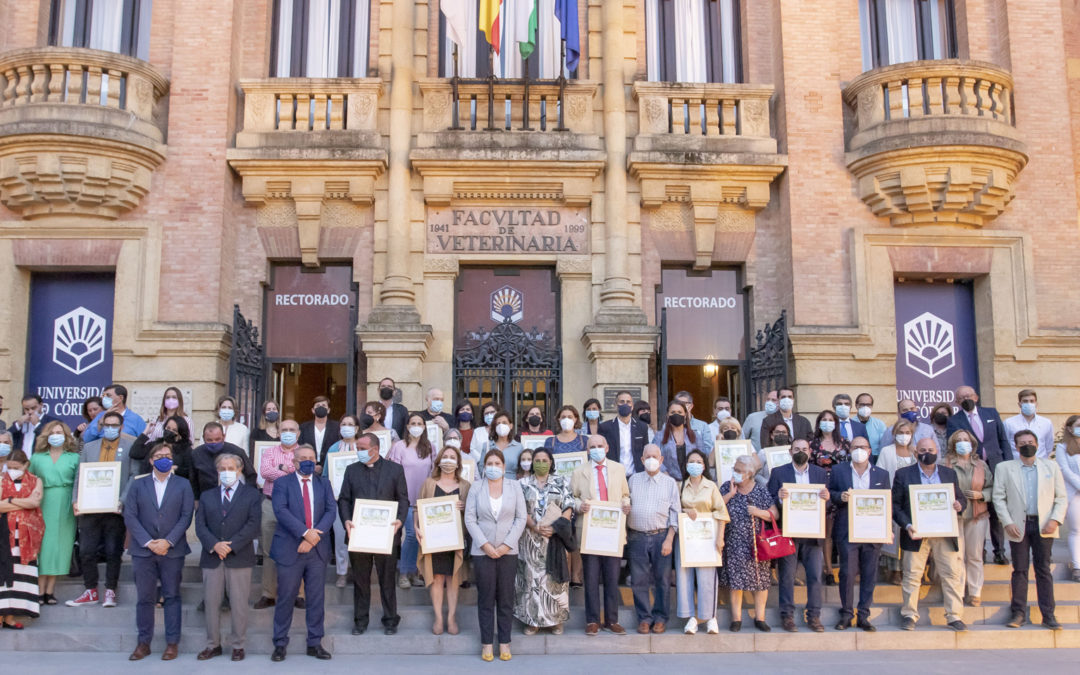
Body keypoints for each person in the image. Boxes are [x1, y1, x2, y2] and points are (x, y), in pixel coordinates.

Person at [124, 443, 194, 661]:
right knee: (145, 598)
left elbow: (186, 516)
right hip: (143, 551)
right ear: (152, 460)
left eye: (168, 455)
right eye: (159, 455)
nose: (164, 458)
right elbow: (130, 516)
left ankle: (172, 643)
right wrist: (148, 542)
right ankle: (143, 642)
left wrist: (168, 541)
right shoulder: (138, 484)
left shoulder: (183, 484)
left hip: (172, 551)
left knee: (172, 595)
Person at [993, 429, 1067, 630]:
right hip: (1018, 525)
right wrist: (1007, 522)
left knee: (1043, 570)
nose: (1027, 445)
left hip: (1044, 525)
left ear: (1036, 444)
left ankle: (1048, 615)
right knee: (1020, 570)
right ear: (1016, 447)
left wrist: (1055, 520)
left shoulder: (1050, 466)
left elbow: (1061, 497)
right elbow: (998, 497)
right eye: (1022, 442)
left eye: (1030, 441)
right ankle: (1018, 613)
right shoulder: (1004, 468)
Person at [893, 437, 967, 632]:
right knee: (911, 574)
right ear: (916, 453)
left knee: (951, 574)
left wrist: (960, 505)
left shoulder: (948, 474)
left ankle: (954, 616)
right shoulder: (903, 475)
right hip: (915, 533)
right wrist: (907, 524)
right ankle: (909, 614)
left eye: (931, 449)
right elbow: (895, 505)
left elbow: (960, 498)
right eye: (923, 449)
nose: (927, 453)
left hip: (944, 533)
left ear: (937, 451)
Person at [269, 444, 334, 661]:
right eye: (303, 458)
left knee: (316, 598)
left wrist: (315, 536)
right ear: (294, 462)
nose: (308, 461)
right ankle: (279, 643)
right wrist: (306, 534)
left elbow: (330, 511)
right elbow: (281, 511)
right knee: (286, 597)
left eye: (311, 458)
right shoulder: (281, 483)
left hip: (317, 550)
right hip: (290, 548)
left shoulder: (324, 483)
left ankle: (315, 642)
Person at [194, 452, 261, 661]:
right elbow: (200, 524)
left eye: (231, 468)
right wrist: (214, 544)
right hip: (212, 557)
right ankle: (213, 644)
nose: (226, 472)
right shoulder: (207, 496)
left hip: (239, 556)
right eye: (222, 469)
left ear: (239, 470)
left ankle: (238, 645)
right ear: (217, 471)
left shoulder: (251, 495)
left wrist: (231, 546)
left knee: (239, 604)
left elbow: (253, 525)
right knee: (211, 603)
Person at [339, 433, 408, 636]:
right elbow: (344, 499)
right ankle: (360, 621)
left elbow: (402, 499)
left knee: (387, 579)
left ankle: (390, 620)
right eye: (357, 448)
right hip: (358, 534)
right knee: (360, 580)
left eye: (361, 448)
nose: (357, 451)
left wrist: (400, 520)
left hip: (386, 534)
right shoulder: (351, 470)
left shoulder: (395, 470)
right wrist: (346, 521)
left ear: (375, 449)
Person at [66, 411, 137, 608]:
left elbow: (134, 475)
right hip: (90, 506)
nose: (111, 428)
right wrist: (76, 500)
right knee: (87, 551)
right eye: (107, 425)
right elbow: (80, 476)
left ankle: (110, 591)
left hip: (115, 508)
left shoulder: (130, 447)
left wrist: (122, 500)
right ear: (102, 425)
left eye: (115, 425)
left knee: (113, 550)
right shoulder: (89, 447)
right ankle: (90, 590)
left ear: (121, 427)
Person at [464, 448, 527, 662]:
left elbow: (521, 518)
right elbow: (470, 519)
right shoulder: (476, 487)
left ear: (503, 466)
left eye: (497, 464)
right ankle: (487, 644)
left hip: (508, 552)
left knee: (506, 598)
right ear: (483, 466)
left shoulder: (514, 486)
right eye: (489, 464)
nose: (493, 468)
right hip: (483, 552)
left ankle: (505, 642)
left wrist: (505, 546)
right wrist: (485, 545)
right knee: (486, 598)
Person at [570, 434, 630, 635]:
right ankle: (592, 620)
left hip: (612, 530)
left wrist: (626, 504)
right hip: (590, 531)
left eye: (599, 445)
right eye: (592, 446)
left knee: (612, 577)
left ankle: (612, 620)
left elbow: (625, 494)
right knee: (592, 576)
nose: (596, 448)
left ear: (607, 447)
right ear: (587, 450)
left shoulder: (618, 469)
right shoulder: (579, 471)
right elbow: (572, 498)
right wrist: (580, 505)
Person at [828, 436, 890, 631]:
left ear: (870, 451)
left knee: (869, 574)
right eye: (855, 447)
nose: (859, 450)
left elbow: (886, 503)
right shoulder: (839, 471)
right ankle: (846, 614)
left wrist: (888, 529)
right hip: (847, 530)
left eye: (862, 447)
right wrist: (840, 496)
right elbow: (829, 494)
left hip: (873, 532)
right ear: (849, 450)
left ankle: (864, 614)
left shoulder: (881, 474)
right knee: (846, 573)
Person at [946, 385, 1013, 565]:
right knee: (977, 510)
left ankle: (999, 551)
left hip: (996, 466)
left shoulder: (991, 413)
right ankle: (979, 551)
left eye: (968, 395)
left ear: (976, 397)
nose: (965, 399)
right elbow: (953, 445)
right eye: (961, 397)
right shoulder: (954, 421)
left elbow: (1003, 440)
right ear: (957, 402)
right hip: (973, 469)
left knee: (996, 510)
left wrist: (1009, 464)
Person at [768, 439, 828, 632]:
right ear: (790, 451)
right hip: (789, 532)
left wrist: (827, 499)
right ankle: (787, 616)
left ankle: (814, 616)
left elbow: (829, 502)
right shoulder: (779, 472)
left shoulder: (820, 473)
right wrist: (779, 497)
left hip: (813, 533)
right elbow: (769, 499)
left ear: (810, 451)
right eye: (796, 449)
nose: (800, 452)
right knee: (786, 576)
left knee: (815, 576)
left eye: (804, 449)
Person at [514, 447, 575, 635]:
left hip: (554, 539)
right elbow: (519, 509)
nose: (541, 463)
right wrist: (534, 526)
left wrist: (556, 527)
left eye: (544, 460)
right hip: (530, 539)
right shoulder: (522, 484)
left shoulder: (561, 481)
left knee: (554, 581)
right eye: (537, 460)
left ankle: (556, 621)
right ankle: (532, 621)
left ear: (551, 462)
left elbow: (569, 506)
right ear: (532, 463)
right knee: (531, 580)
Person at [417, 444, 471, 635]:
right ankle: (439, 617)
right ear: (439, 461)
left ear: (458, 463)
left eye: (452, 457)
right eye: (445, 457)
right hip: (433, 541)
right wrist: (417, 528)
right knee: (437, 578)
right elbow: (418, 509)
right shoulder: (429, 483)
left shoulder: (465, 486)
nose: (449, 460)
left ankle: (452, 617)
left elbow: (472, 515)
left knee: (453, 578)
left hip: (455, 541)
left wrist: (466, 507)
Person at [626, 445, 680, 635]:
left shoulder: (669, 483)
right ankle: (644, 618)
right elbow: (625, 504)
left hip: (661, 536)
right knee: (638, 581)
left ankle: (660, 618)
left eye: (654, 456)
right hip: (637, 536)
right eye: (647, 456)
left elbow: (675, 513)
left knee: (662, 580)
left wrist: (669, 539)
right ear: (641, 460)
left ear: (661, 459)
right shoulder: (633, 480)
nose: (651, 459)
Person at [720, 455, 775, 632]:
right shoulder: (726, 487)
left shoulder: (760, 491)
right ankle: (736, 619)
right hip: (734, 541)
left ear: (750, 473)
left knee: (761, 581)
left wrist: (759, 512)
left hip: (757, 544)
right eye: (734, 469)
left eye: (739, 470)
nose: (735, 473)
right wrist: (730, 495)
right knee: (736, 581)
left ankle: (760, 618)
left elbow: (775, 514)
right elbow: (715, 507)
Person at [676, 449, 728, 635]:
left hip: (707, 538)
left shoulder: (711, 486)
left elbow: (721, 512)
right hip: (685, 538)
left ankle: (710, 617)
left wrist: (720, 537)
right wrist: (684, 510)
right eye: (692, 461)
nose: (695, 464)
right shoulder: (680, 485)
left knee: (707, 578)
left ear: (704, 465)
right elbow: (674, 508)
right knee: (684, 577)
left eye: (698, 461)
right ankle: (690, 618)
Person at [255, 418, 305, 610]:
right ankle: (268, 594)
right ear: (277, 432)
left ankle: (298, 594)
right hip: (270, 504)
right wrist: (289, 470)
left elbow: (302, 473)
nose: (288, 432)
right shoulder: (269, 452)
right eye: (284, 429)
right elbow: (265, 472)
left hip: (296, 507)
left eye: (292, 429)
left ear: (298, 433)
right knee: (269, 551)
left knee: (298, 549)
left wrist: (281, 469)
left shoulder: (304, 452)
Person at [28, 420, 79, 605]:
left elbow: (79, 481)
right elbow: (30, 481)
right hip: (43, 501)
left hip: (66, 501)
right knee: (45, 545)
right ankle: (39, 590)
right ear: (46, 436)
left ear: (66, 436)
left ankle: (50, 591)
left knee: (61, 545)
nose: (56, 435)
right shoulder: (37, 458)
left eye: (60, 432)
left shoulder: (73, 457)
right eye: (53, 432)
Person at [941, 429, 993, 607]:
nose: (963, 442)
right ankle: (958, 590)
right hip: (953, 516)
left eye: (966, 439)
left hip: (977, 515)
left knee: (974, 555)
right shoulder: (945, 464)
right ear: (953, 444)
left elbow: (993, 487)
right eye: (959, 440)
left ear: (972, 443)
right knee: (956, 555)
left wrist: (981, 494)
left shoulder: (981, 465)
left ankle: (975, 591)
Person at [389, 413, 436, 589]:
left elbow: (433, 472)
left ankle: (415, 571)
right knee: (410, 535)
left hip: (423, 500)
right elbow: (393, 473)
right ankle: (403, 573)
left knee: (420, 538)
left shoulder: (430, 447)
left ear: (424, 427)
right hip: (405, 499)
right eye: (413, 423)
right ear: (407, 426)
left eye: (419, 423)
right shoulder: (399, 446)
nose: (416, 426)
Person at [0, 449, 44, 628]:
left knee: (21, 574)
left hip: (27, 535)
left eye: (16, 467)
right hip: (4, 533)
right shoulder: (1, 480)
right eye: (9, 467)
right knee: (3, 573)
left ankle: (10, 617)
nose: (12, 470)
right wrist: (21, 501)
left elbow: (35, 503)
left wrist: (9, 501)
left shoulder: (36, 480)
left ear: (26, 465)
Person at [809, 409, 850, 586]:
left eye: (830, 419)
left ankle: (846, 568)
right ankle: (828, 570)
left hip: (841, 491)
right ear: (819, 423)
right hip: (822, 492)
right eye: (824, 419)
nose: (827, 422)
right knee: (826, 534)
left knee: (842, 533)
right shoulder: (813, 444)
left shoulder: (845, 443)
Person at [875, 419, 917, 584]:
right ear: (894, 434)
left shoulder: (915, 452)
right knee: (894, 535)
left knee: (910, 532)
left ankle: (910, 569)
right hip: (892, 498)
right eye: (901, 433)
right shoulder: (887, 451)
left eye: (907, 433)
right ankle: (894, 571)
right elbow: (880, 473)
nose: (904, 436)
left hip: (912, 500)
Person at [324, 414, 362, 588]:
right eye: (343, 424)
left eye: (350, 424)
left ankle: (358, 571)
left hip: (361, 501)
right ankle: (342, 572)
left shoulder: (363, 447)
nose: (347, 427)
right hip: (339, 500)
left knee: (359, 538)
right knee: (340, 538)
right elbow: (326, 475)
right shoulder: (333, 449)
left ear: (357, 428)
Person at [190, 421, 257, 500]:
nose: (214, 442)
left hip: (234, 498)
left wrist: (247, 496)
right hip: (206, 499)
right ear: (204, 438)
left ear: (224, 436)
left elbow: (251, 475)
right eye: (209, 440)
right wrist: (196, 499)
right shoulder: (196, 454)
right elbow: (193, 480)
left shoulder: (237, 452)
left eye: (217, 439)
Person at [599, 390, 651, 477]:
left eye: (628, 402)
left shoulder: (642, 427)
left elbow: (646, 450)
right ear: (616, 406)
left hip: (636, 476)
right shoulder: (605, 427)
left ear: (632, 406)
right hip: (614, 476)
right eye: (622, 402)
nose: (625, 404)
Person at [129, 415, 194, 480]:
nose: (169, 431)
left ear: (180, 435)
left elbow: (190, 472)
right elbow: (134, 453)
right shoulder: (153, 445)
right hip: (149, 484)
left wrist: (176, 469)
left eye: (174, 430)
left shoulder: (186, 450)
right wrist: (146, 432)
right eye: (168, 428)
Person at [1056, 415, 1080, 582]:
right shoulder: (1062, 447)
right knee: (1076, 530)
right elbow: (1064, 469)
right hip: (1073, 493)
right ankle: (1077, 566)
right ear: (1070, 428)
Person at [82, 384, 146, 443]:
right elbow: (87, 439)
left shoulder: (135, 419)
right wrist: (101, 421)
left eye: (108, 395)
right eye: (103, 396)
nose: (104, 398)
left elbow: (144, 442)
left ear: (121, 398)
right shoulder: (100, 416)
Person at [1003, 389, 1055, 459]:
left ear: (1036, 404)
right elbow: (1006, 445)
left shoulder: (1046, 423)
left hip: (1040, 464)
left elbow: (1049, 446)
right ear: (1019, 404)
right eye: (1025, 401)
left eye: (1032, 401)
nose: (1029, 404)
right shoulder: (1009, 423)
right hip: (1016, 464)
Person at [656, 400, 701, 480]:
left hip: (692, 481)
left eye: (680, 412)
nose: (676, 415)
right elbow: (655, 457)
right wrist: (667, 477)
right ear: (667, 415)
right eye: (673, 412)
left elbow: (702, 456)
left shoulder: (695, 435)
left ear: (685, 415)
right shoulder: (659, 436)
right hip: (668, 481)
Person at [299, 395, 341, 470]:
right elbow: (301, 446)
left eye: (323, 405)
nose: (321, 407)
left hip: (329, 467)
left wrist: (323, 466)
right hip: (307, 467)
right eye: (318, 405)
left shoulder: (337, 427)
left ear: (328, 410)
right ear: (313, 410)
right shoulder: (304, 427)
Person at [483, 410, 524, 475]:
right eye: (498, 423)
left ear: (511, 426)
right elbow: (482, 468)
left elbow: (521, 470)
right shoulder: (487, 445)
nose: (501, 425)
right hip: (492, 482)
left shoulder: (519, 447)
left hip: (512, 483)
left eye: (504, 423)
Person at [854, 393, 887, 457]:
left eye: (868, 405)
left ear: (872, 406)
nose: (865, 407)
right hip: (856, 457)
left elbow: (884, 445)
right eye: (862, 404)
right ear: (856, 405)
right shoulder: (851, 423)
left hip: (875, 457)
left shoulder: (879, 424)